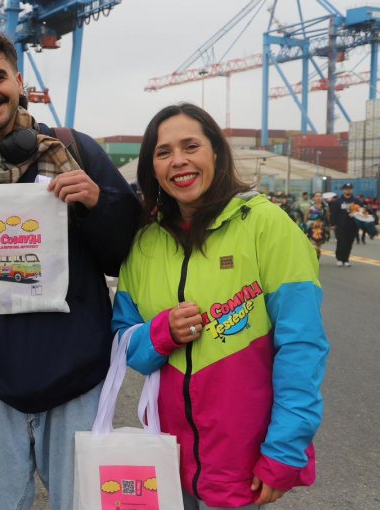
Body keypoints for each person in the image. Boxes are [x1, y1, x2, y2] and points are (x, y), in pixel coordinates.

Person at [0, 31, 140, 510]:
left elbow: (120, 253)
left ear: (19, 81)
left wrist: (97, 203)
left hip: (77, 371)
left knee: (81, 502)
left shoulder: (75, 152)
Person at [112, 103, 329, 509]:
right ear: (152, 168)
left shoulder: (266, 224)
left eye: (190, 146)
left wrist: (285, 450)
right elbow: (125, 345)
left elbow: (303, 348)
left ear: (215, 152)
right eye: (163, 152)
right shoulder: (144, 244)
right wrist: (161, 334)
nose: (178, 161)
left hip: (240, 467)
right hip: (166, 460)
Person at [329, 182, 365, 266]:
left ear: (352, 190)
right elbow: (334, 213)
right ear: (343, 190)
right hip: (340, 226)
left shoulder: (356, 201)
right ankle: (339, 259)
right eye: (346, 189)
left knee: (349, 243)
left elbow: (361, 211)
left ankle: (346, 259)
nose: (348, 191)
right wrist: (333, 224)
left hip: (353, 225)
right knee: (341, 242)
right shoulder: (338, 201)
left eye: (349, 189)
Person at [305, 191, 330, 259]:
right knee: (314, 246)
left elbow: (328, 219)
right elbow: (306, 219)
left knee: (318, 247)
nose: (318, 198)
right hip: (312, 229)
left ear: (322, 198)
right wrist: (309, 224)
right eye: (316, 196)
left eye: (320, 196)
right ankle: (313, 258)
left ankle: (316, 258)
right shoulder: (310, 207)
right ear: (314, 198)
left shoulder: (325, 208)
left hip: (321, 229)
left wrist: (327, 229)